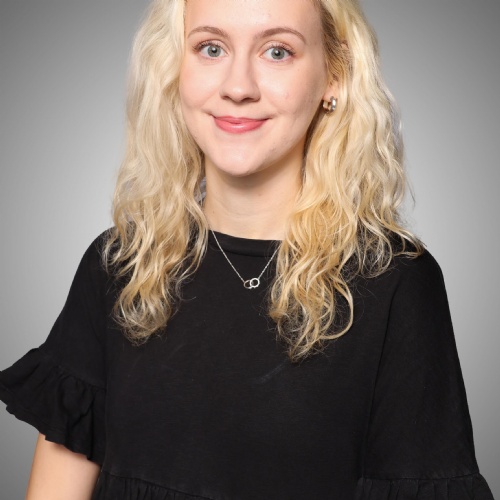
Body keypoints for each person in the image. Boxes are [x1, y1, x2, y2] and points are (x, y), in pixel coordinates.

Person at [0, 0, 495, 498]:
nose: (238, 87)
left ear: (335, 76)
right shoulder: (120, 265)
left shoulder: (396, 282)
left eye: (277, 51)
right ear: (175, 69)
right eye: (211, 48)